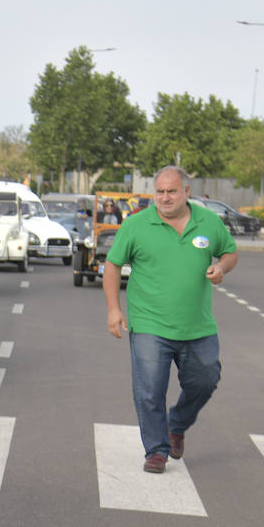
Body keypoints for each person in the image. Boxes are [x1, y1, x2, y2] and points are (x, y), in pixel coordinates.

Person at [103, 166, 238, 473]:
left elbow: (230, 252)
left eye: (171, 191)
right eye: (160, 192)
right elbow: (112, 266)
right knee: (149, 389)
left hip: (198, 325)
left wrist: (221, 268)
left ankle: (176, 424)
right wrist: (114, 309)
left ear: (186, 192)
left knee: (206, 380)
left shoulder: (208, 222)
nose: (164, 198)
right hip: (149, 324)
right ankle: (157, 449)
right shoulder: (137, 224)